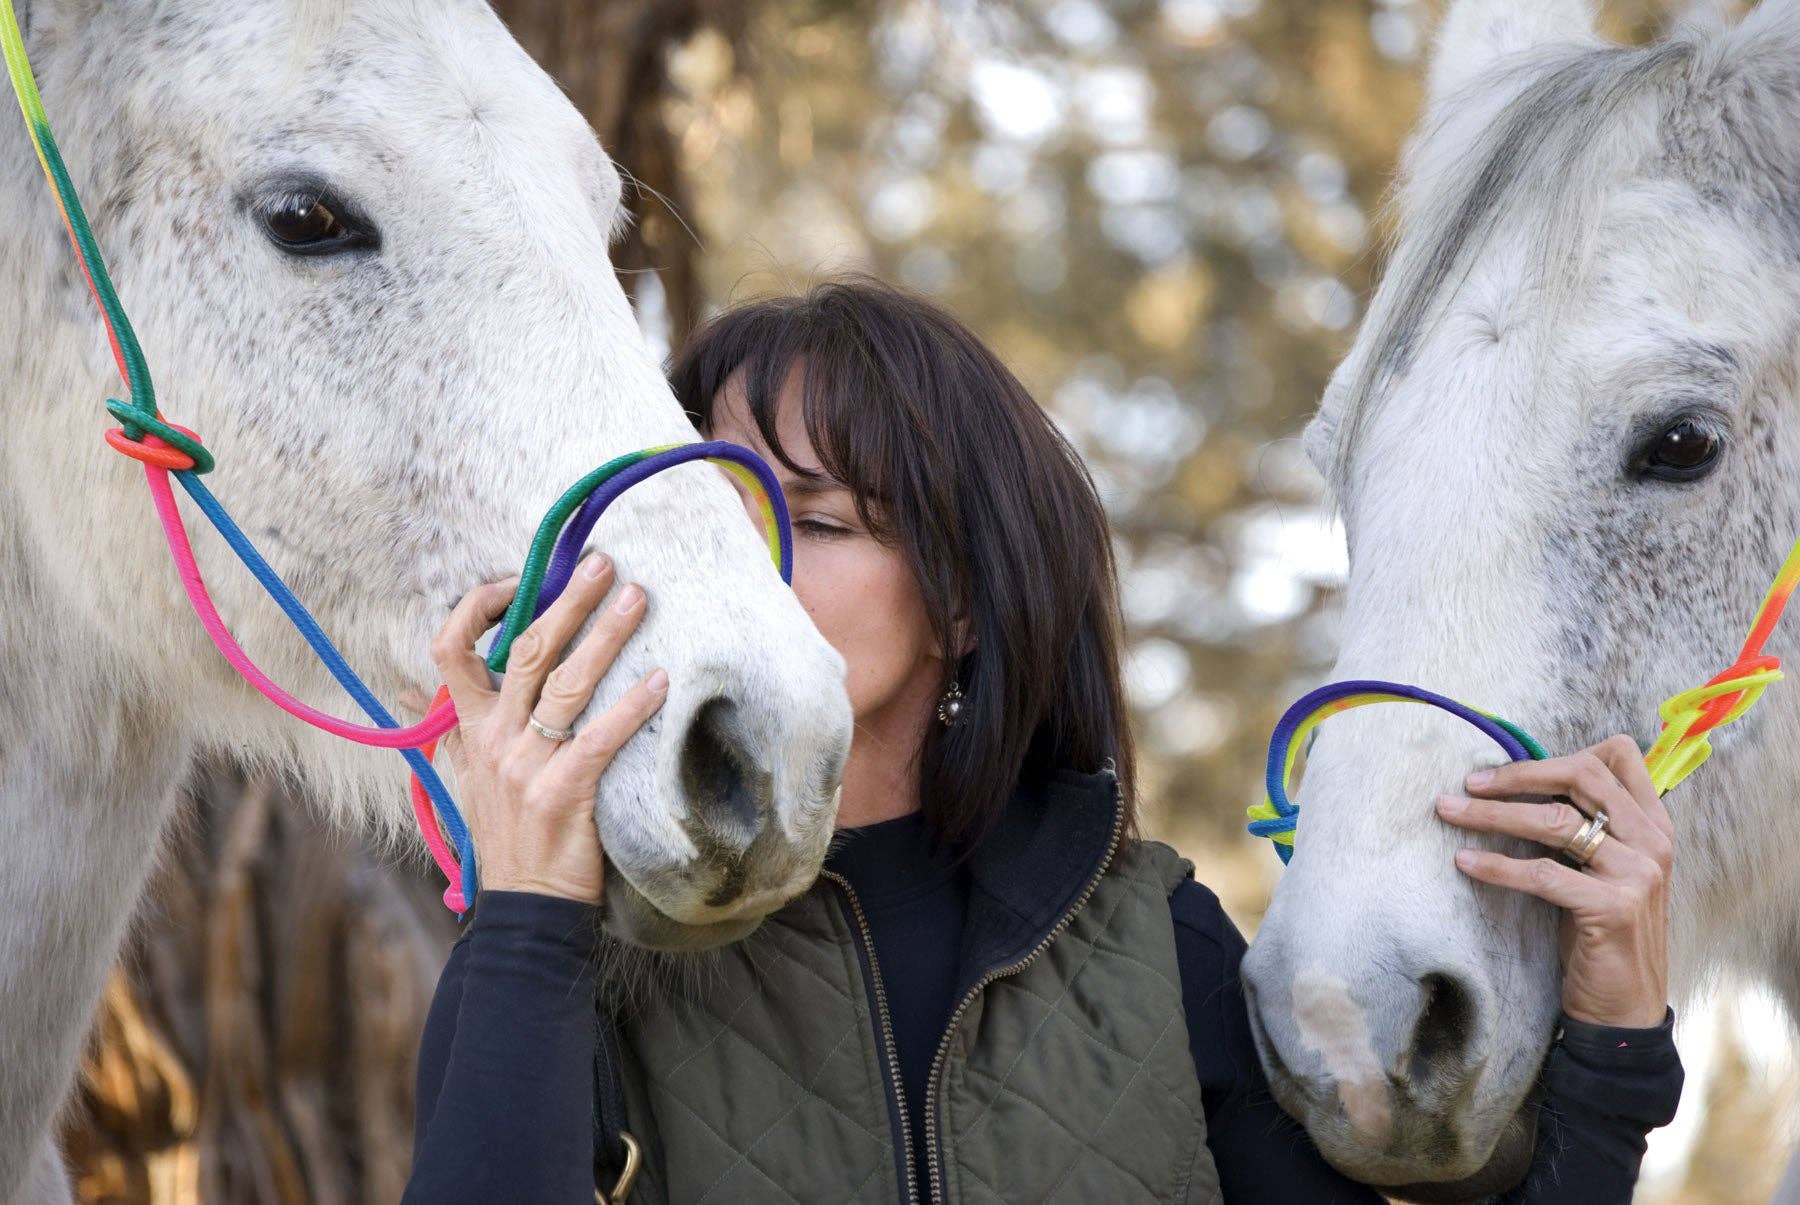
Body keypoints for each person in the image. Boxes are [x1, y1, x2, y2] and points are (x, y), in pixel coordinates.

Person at [403, 279, 1682, 1204]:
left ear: (962, 602)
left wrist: (1612, 1046)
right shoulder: (569, 954)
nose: (740, 570)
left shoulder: (1153, 942)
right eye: (707, 517)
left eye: (818, 522)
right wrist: (530, 918)